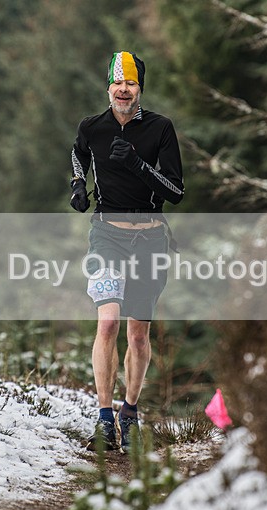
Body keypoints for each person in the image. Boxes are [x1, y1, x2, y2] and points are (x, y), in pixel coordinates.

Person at [69, 51, 184, 453]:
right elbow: (78, 154)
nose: (123, 90)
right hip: (107, 236)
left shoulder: (160, 128)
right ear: (108, 87)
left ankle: (130, 411)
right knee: (108, 323)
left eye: (131, 83)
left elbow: (176, 191)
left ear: (140, 89)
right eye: (117, 83)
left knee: (137, 334)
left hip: (150, 239)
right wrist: (78, 185)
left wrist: (137, 164)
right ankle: (104, 419)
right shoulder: (92, 127)